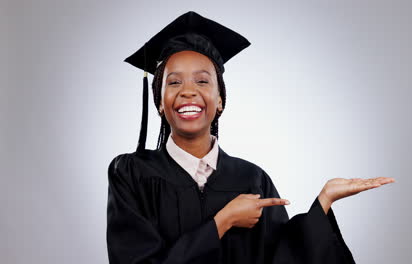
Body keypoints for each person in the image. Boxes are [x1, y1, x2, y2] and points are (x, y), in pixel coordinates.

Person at [106, 11, 395, 264]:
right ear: (159, 100)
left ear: (220, 100)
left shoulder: (252, 179)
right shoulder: (132, 174)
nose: (188, 90)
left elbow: (284, 257)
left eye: (203, 80)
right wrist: (224, 220)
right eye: (174, 82)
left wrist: (323, 203)